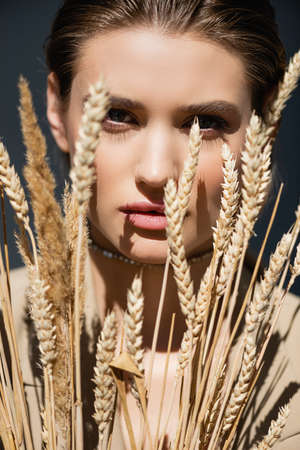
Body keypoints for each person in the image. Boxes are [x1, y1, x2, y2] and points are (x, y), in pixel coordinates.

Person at [10, 0, 300, 449]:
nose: (156, 170)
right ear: (57, 109)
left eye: (205, 123)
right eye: (118, 115)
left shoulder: (291, 357)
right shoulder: (7, 335)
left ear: (266, 132)